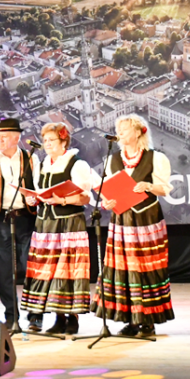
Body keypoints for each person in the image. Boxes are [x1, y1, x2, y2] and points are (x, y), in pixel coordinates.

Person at [93, 114, 175, 337]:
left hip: (146, 220)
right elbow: (110, 190)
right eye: (119, 129)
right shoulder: (114, 159)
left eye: (126, 129)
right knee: (124, 270)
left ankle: (147, 320)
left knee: (145, 268)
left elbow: (164, 189)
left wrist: (148, 185)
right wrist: (107, 202)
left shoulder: (154, 157)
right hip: (122, 221)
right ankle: (130, 319)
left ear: (139, 132)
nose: (120, 133)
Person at [20, 123, 96, 334]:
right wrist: (34, 198)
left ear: (64, 141)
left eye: (51, 140)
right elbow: (41, 192)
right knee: (50, 271)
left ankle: (72, 319)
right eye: (45, 140)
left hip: (68, 223)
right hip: (46, 224)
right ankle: (58, 317)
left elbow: (85, 197)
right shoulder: (44, 163)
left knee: (68, 269)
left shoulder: (76, 163)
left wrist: (61, 200)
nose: (47, 144)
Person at [0, 118, 40, 329]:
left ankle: (35, 315)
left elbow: (38, 188)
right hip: (1, 219)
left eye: (4, 137)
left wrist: (34, 198)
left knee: (31, 268)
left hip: (27, 218)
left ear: (16, 138)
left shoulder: (30, 159)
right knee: (5, 271)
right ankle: (11, 315)